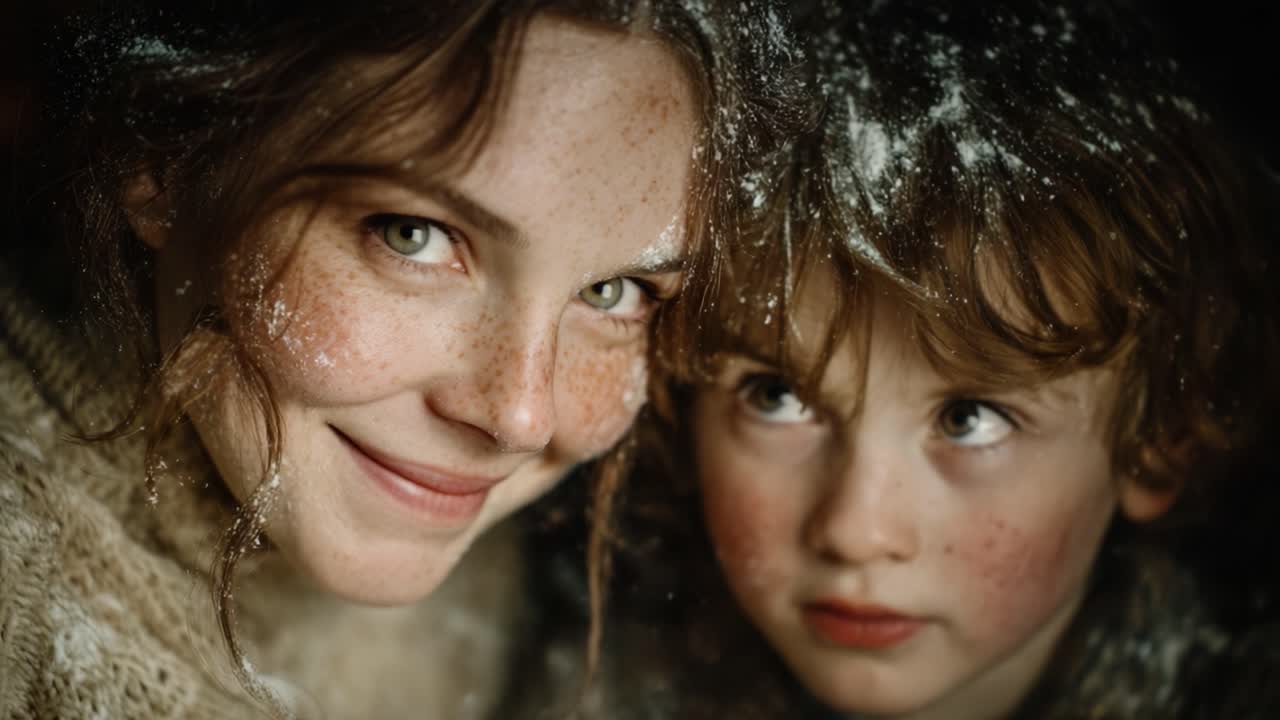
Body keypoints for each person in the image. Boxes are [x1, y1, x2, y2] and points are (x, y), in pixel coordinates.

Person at [0, 1, 806, 717]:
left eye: (614, 292)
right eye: (412, 235)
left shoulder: (543, 612)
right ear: (167, 161)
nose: (520, 416)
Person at [618, 0, 1280, 717]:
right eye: (775, 397)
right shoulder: (565, 679)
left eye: (970, 418)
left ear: (1158, 440)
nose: (857, 531)